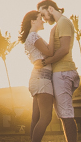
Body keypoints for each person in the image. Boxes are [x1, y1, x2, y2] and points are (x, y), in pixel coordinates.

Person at [37, 0, 79, 142]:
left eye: (43, 14)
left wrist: (45, 62)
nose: (43, 18)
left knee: (66, 115)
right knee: (63, 114)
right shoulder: (58, 25)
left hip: (63, 73)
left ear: (50, 9)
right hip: (61, 73)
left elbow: (64, 49)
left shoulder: (63, 22)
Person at [19, 10, 55, 142]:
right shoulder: (34, 36)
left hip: (37, 78)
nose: (43, 20)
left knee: (36, 117)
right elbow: (50, 52)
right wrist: (52, 34)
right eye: (40, 18)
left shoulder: (30, 37)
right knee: (46, 118)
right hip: (43, 79)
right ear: (33, 21)